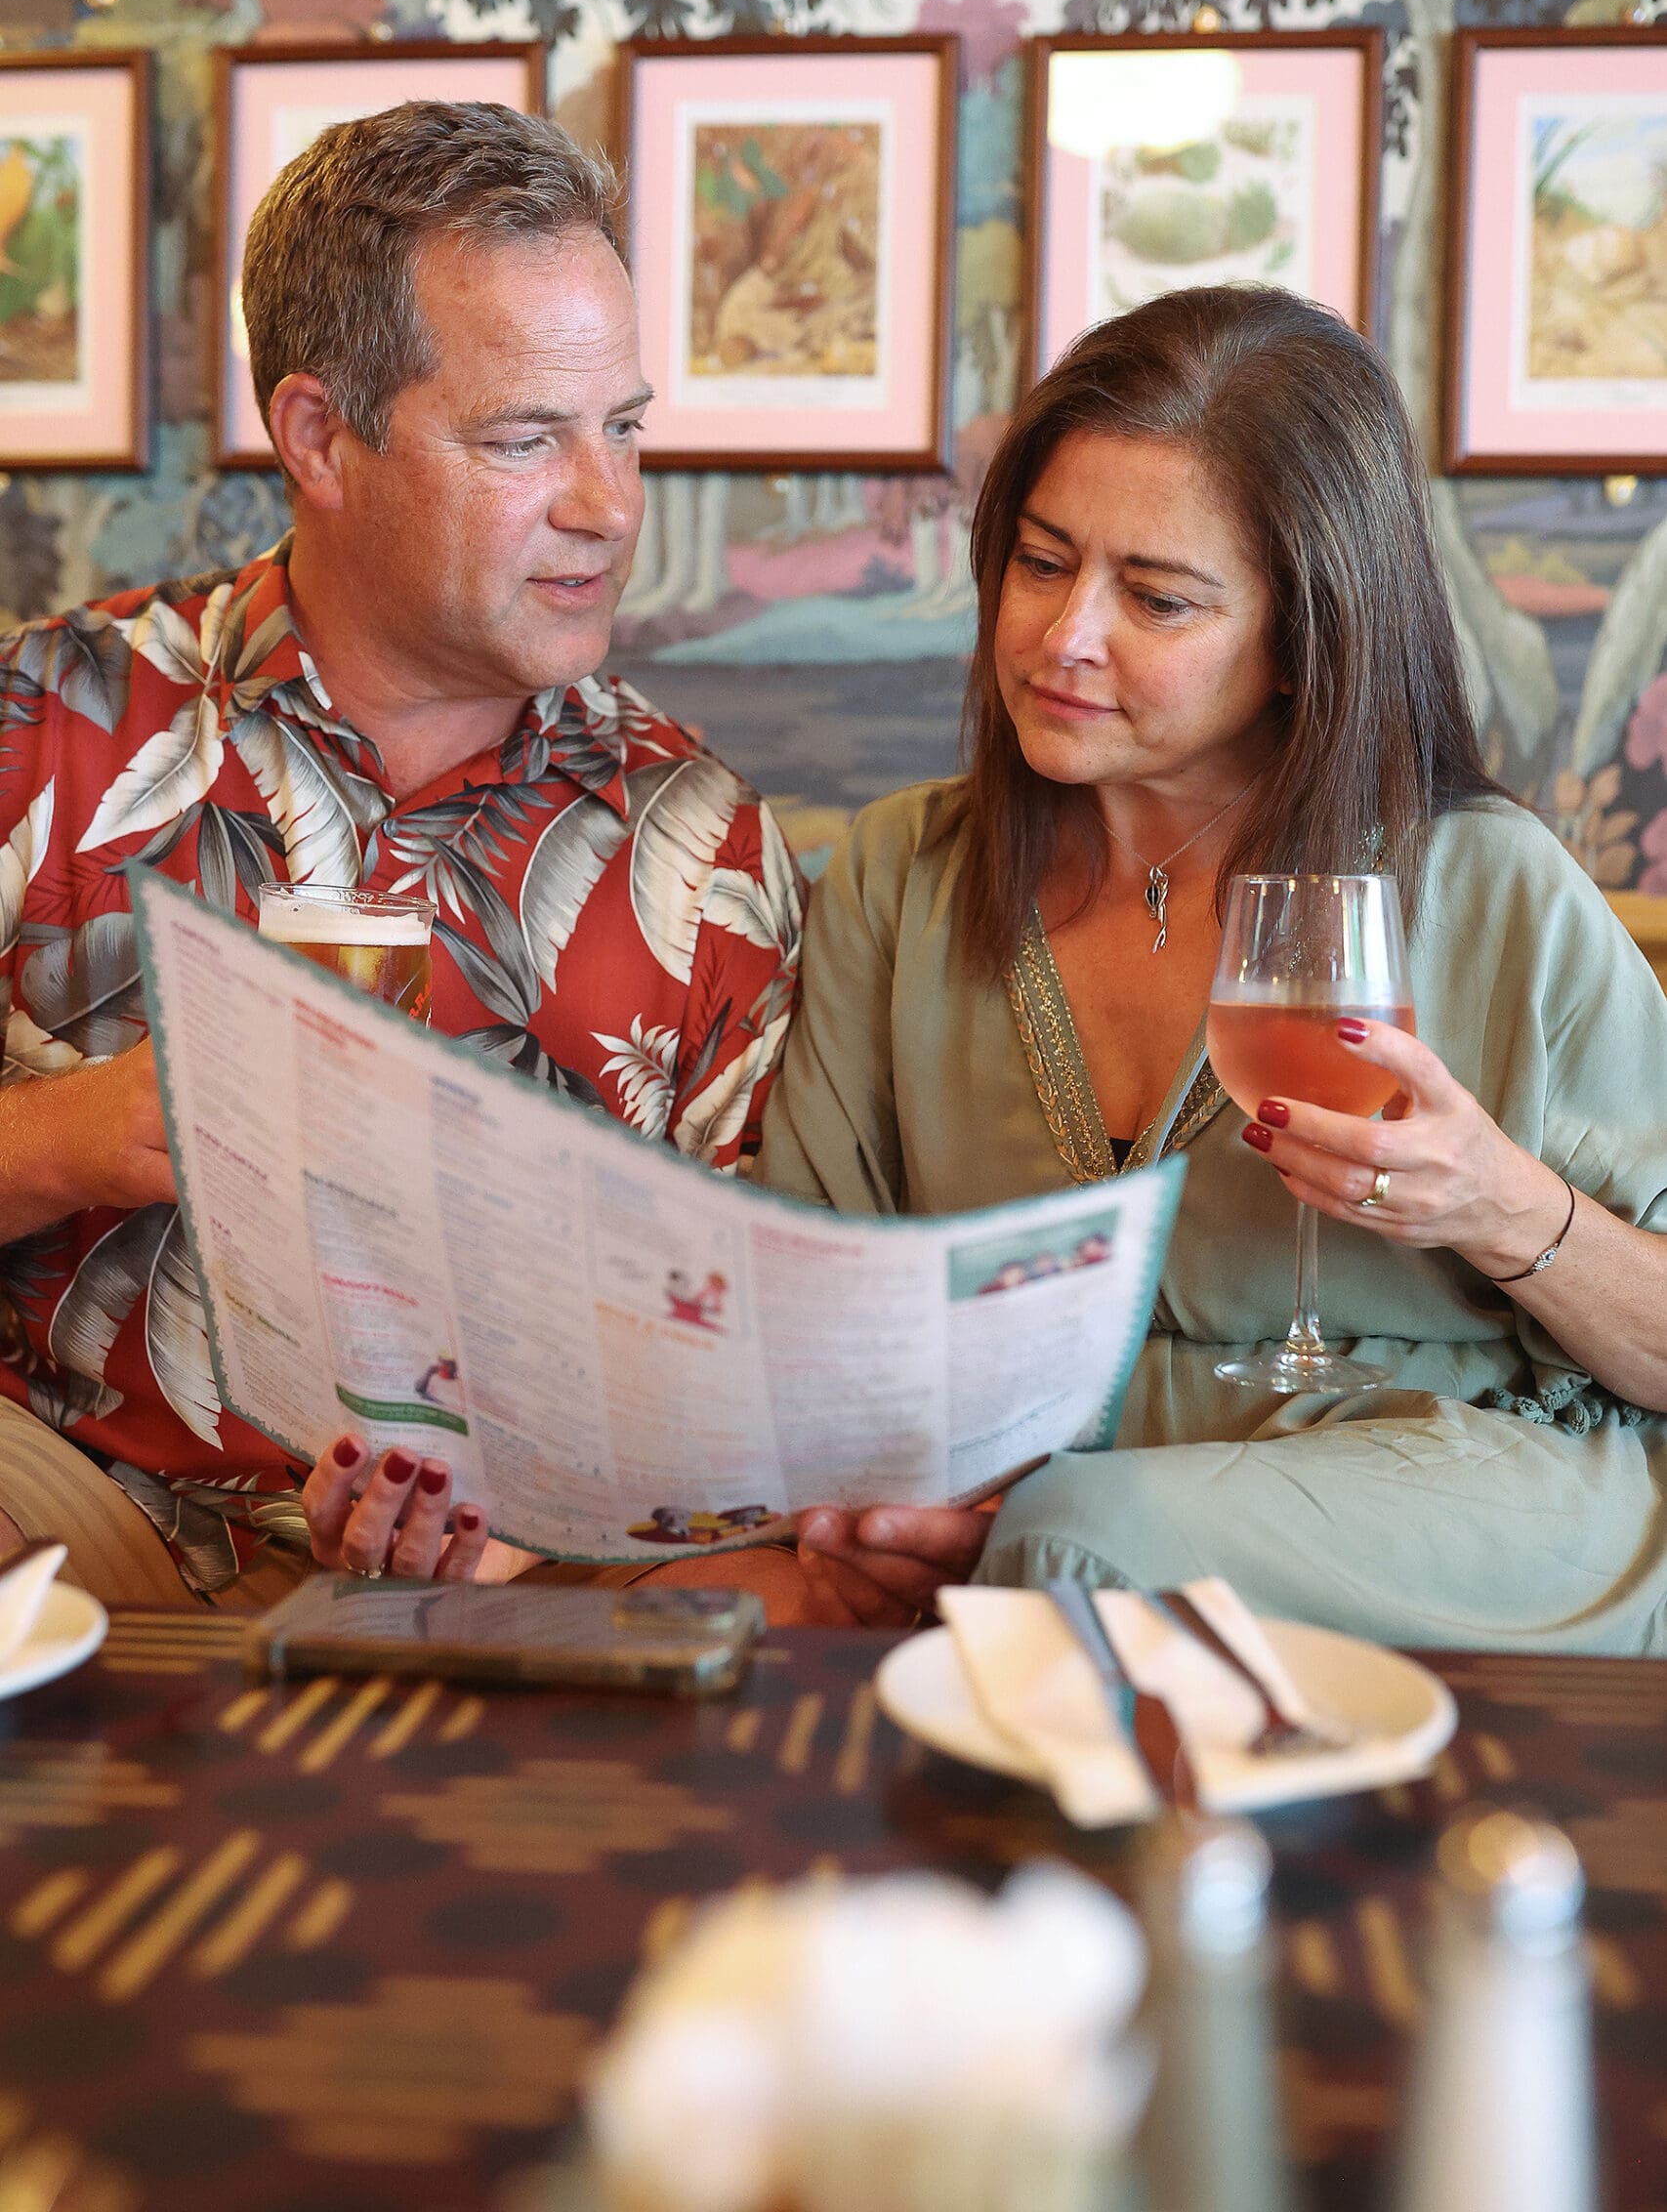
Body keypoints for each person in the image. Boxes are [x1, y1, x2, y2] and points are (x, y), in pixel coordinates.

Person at [753, 285, 1667, 1652]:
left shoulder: (1487, 887)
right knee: (1058, 1540)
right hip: (1040, 1510)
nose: (1064, 636)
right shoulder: (902, 876)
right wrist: (914, 1503)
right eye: (1044, 563)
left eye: (1158, 600)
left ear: (1305, 642)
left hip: (1468, 1492)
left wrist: (1503, 1205)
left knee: (1087, 1542)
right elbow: (816, 1323)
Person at [0, 102, 801, 1606]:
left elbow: (738, 1377)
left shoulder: (704, 850)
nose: (608, 508)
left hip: (509, 1588)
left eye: (623, 428)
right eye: (525, 440)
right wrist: (69, 1136)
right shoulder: (46, 725)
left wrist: (531, 1525)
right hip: (73, 1526)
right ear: (320, 438)